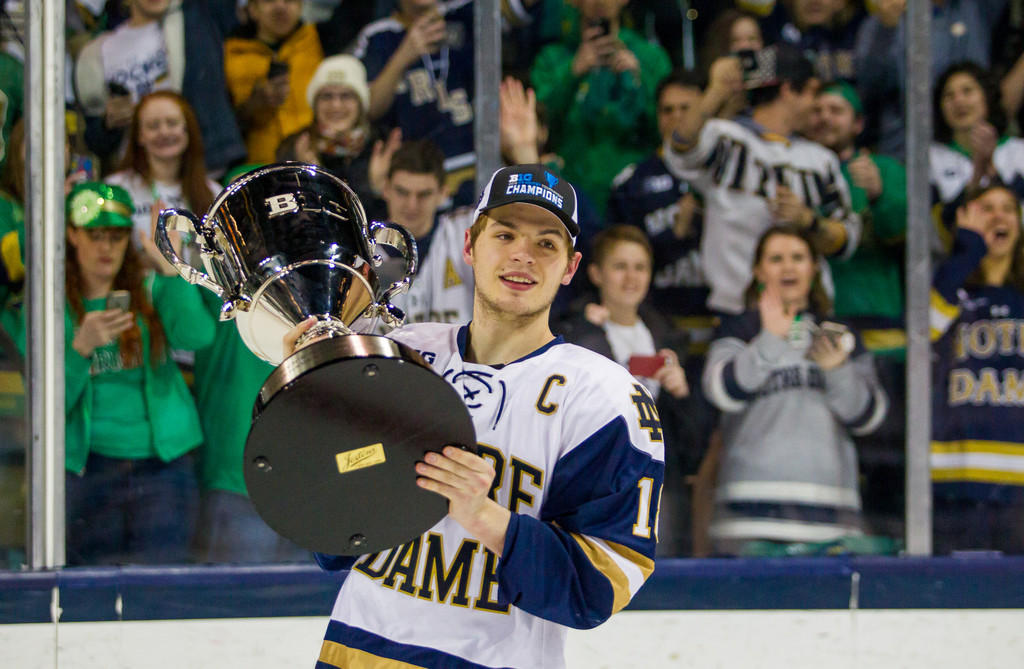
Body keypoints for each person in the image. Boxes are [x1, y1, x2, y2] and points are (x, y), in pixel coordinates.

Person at [296, 164, 664, 669]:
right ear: (470, 245)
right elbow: (330, 543)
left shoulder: (604, 400)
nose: (522, 255)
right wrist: (312, 398)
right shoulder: (395, 356)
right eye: (505, 234)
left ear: (571, 267)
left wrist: (485, 516)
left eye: (546, 244)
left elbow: (595, 588)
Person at [3, 182, 214, 565]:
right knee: (90, 596)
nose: (106, 248)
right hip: (89, 468)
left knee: (161, 593)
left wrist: (170, 271)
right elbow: (43, 409)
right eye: (95, 235)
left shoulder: (149, 288)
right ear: (71, 234)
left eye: (116, 236)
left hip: (164, 466)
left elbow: (198, 336)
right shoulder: (47, 306)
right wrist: (80, 348)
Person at [702, 224, 888, 556]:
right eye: (776, 258)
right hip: (748, 519)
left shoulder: (840, 335)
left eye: (798, 258)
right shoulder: (739, 329)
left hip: (831, 521)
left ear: (814, 268)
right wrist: (769, 340)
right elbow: (720, 391)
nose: (788, 267)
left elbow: (870, 417)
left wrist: (838, 371)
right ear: (758, 270)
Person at [664, 44, 861, 317]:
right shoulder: (727, 137)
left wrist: (808, 221)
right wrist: (716, 92)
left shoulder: (821, 159)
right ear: (788, 90)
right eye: (813, 92)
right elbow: (679, 147)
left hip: (806, 312)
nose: (818, 107)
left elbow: (848, 238)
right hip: (736, 310)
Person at [807, 80, 908, 539]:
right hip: (821, 323)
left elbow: (908, 238)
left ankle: (891, 538)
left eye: (837, 110)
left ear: (859, 124)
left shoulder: (882, 166)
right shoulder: (805, 168)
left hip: (883, 331)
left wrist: (883, 193)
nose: (826, 117)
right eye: (820, 109)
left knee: (885, 450)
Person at [554, 224, 691, 556]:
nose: (631, 277)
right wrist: (586, 329)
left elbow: (691, 436)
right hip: (591, 485)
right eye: (620, 266)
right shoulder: (568, 331)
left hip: (657, 483)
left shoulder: (670, 337)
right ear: (597, 273)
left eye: (640, 267)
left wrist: (682, 394)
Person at [930, 183, 1024, 555]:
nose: (999, 216)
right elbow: (925, 330)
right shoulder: (948, 290)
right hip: (956, 479)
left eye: (1007, 208)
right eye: (987, 208)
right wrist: (967, 252)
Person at [529, 0, 672, 214]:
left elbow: (667, 130)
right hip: (570, 191)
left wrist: (638, 81)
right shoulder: (552, 59)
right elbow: (536, 124)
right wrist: (572, 72)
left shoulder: (650, 58)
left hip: (636, 194)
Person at [74, 0, 245, 174]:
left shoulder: (200, 18)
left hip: (202, 167)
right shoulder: (98, 52)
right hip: (138, 173)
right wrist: (108, 123)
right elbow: (94, 141)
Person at [351, 0, 481, 207]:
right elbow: (368, 110)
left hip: (475, 168)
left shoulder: (468, 13)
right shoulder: (377, 36)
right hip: (415, 184)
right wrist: (404, 55)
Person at [854, 0, 1008, 160]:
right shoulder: (881, 22)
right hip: (904, 153)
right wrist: (885, 30)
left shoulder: (975, 9)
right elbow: (869, 85)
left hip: (977, 147)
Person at [276, 54, 388, 223]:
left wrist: (378, 190)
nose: (336, 105)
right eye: (327, 96)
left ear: (360, 102)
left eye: (346, 96)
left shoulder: (381, 145)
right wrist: (311, 180)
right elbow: (289, 220)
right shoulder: (293, 148)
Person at [377, 138, 475, 328]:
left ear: (443, 193)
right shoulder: (361, 250)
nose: (412, 205)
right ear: (385, 189)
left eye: (424, 194)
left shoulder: (465, 231)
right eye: (402, 192)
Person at [105, 91, 220, 245]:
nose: (164, 132)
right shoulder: (116, 188)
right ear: (140, 135)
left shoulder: (214, 193)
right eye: (153, 126)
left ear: (188, 130)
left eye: (172, 123)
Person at [224, 0, 326, 163]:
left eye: (289, 0)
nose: (280, 6)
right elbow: (221, 124)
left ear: (301, 5)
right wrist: (255, 103)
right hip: (256, 168)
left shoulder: (321, 40)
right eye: (269, 0)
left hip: (314, 163)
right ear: (252, 9)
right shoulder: (229, 54)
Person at [930, 62, 1024, 224]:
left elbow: (1020, 214)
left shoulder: (1019, 151)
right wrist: (979, 168)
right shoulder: (929, 158)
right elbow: (942, 225)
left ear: (987, 97)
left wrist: (990, 167)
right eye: (949, 95)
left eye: (967, 91)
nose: (959, 101)